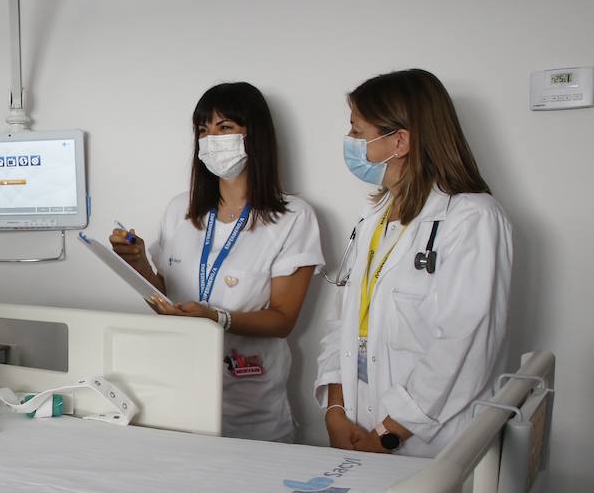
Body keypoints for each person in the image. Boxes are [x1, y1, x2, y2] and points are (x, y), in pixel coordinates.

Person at [109, 82, 323, 442]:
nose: (210, 139)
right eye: (202, 130)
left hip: (250, 401)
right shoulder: (181, 209)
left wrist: (217, 318)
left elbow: (283, 319)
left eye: (224, 128)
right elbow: (166, 297)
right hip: (178, 389)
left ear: (255, 135)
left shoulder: (293, 217)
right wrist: (138, 264)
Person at [316, 68, 512, 456]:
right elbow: (343, 323)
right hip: (359, 427)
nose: (350, 141)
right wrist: (335, 411)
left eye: (357, 131)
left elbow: (463, 345)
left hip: (430, 445)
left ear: (399, 142)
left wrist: (387, 434)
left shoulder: (473, 218)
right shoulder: (375, 216)